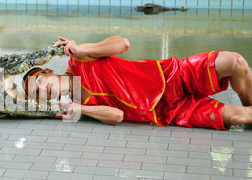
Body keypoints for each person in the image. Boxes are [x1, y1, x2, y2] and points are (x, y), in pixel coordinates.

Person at [23, 36, 252, 130]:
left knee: (236, 62)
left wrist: (82, 49)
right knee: (240, 117)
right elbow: (117, 117)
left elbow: (123, 43)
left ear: (49, 70)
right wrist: (80, 109)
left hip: (172, 75)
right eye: (37, 92)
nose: (43, 88)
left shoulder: (81, 58)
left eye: (40, 80)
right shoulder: (77, 108)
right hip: (170, 112)